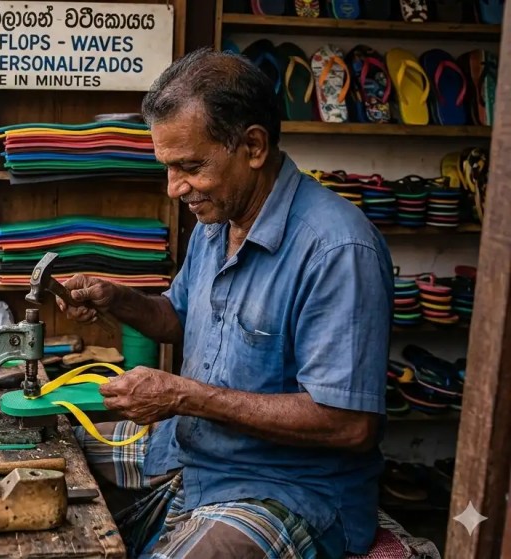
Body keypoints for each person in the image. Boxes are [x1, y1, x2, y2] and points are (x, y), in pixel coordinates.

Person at [59, 49, 392, 558]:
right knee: (50, 450)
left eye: (189, 166)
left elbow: (348, 424)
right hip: (194, 452)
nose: (175, 189)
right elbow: (180, 319)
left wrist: (183, 397)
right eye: (167, 168)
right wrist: (117, 298)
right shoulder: (217, 222)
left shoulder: (337, 249)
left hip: (284, 489)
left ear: (253, 146)